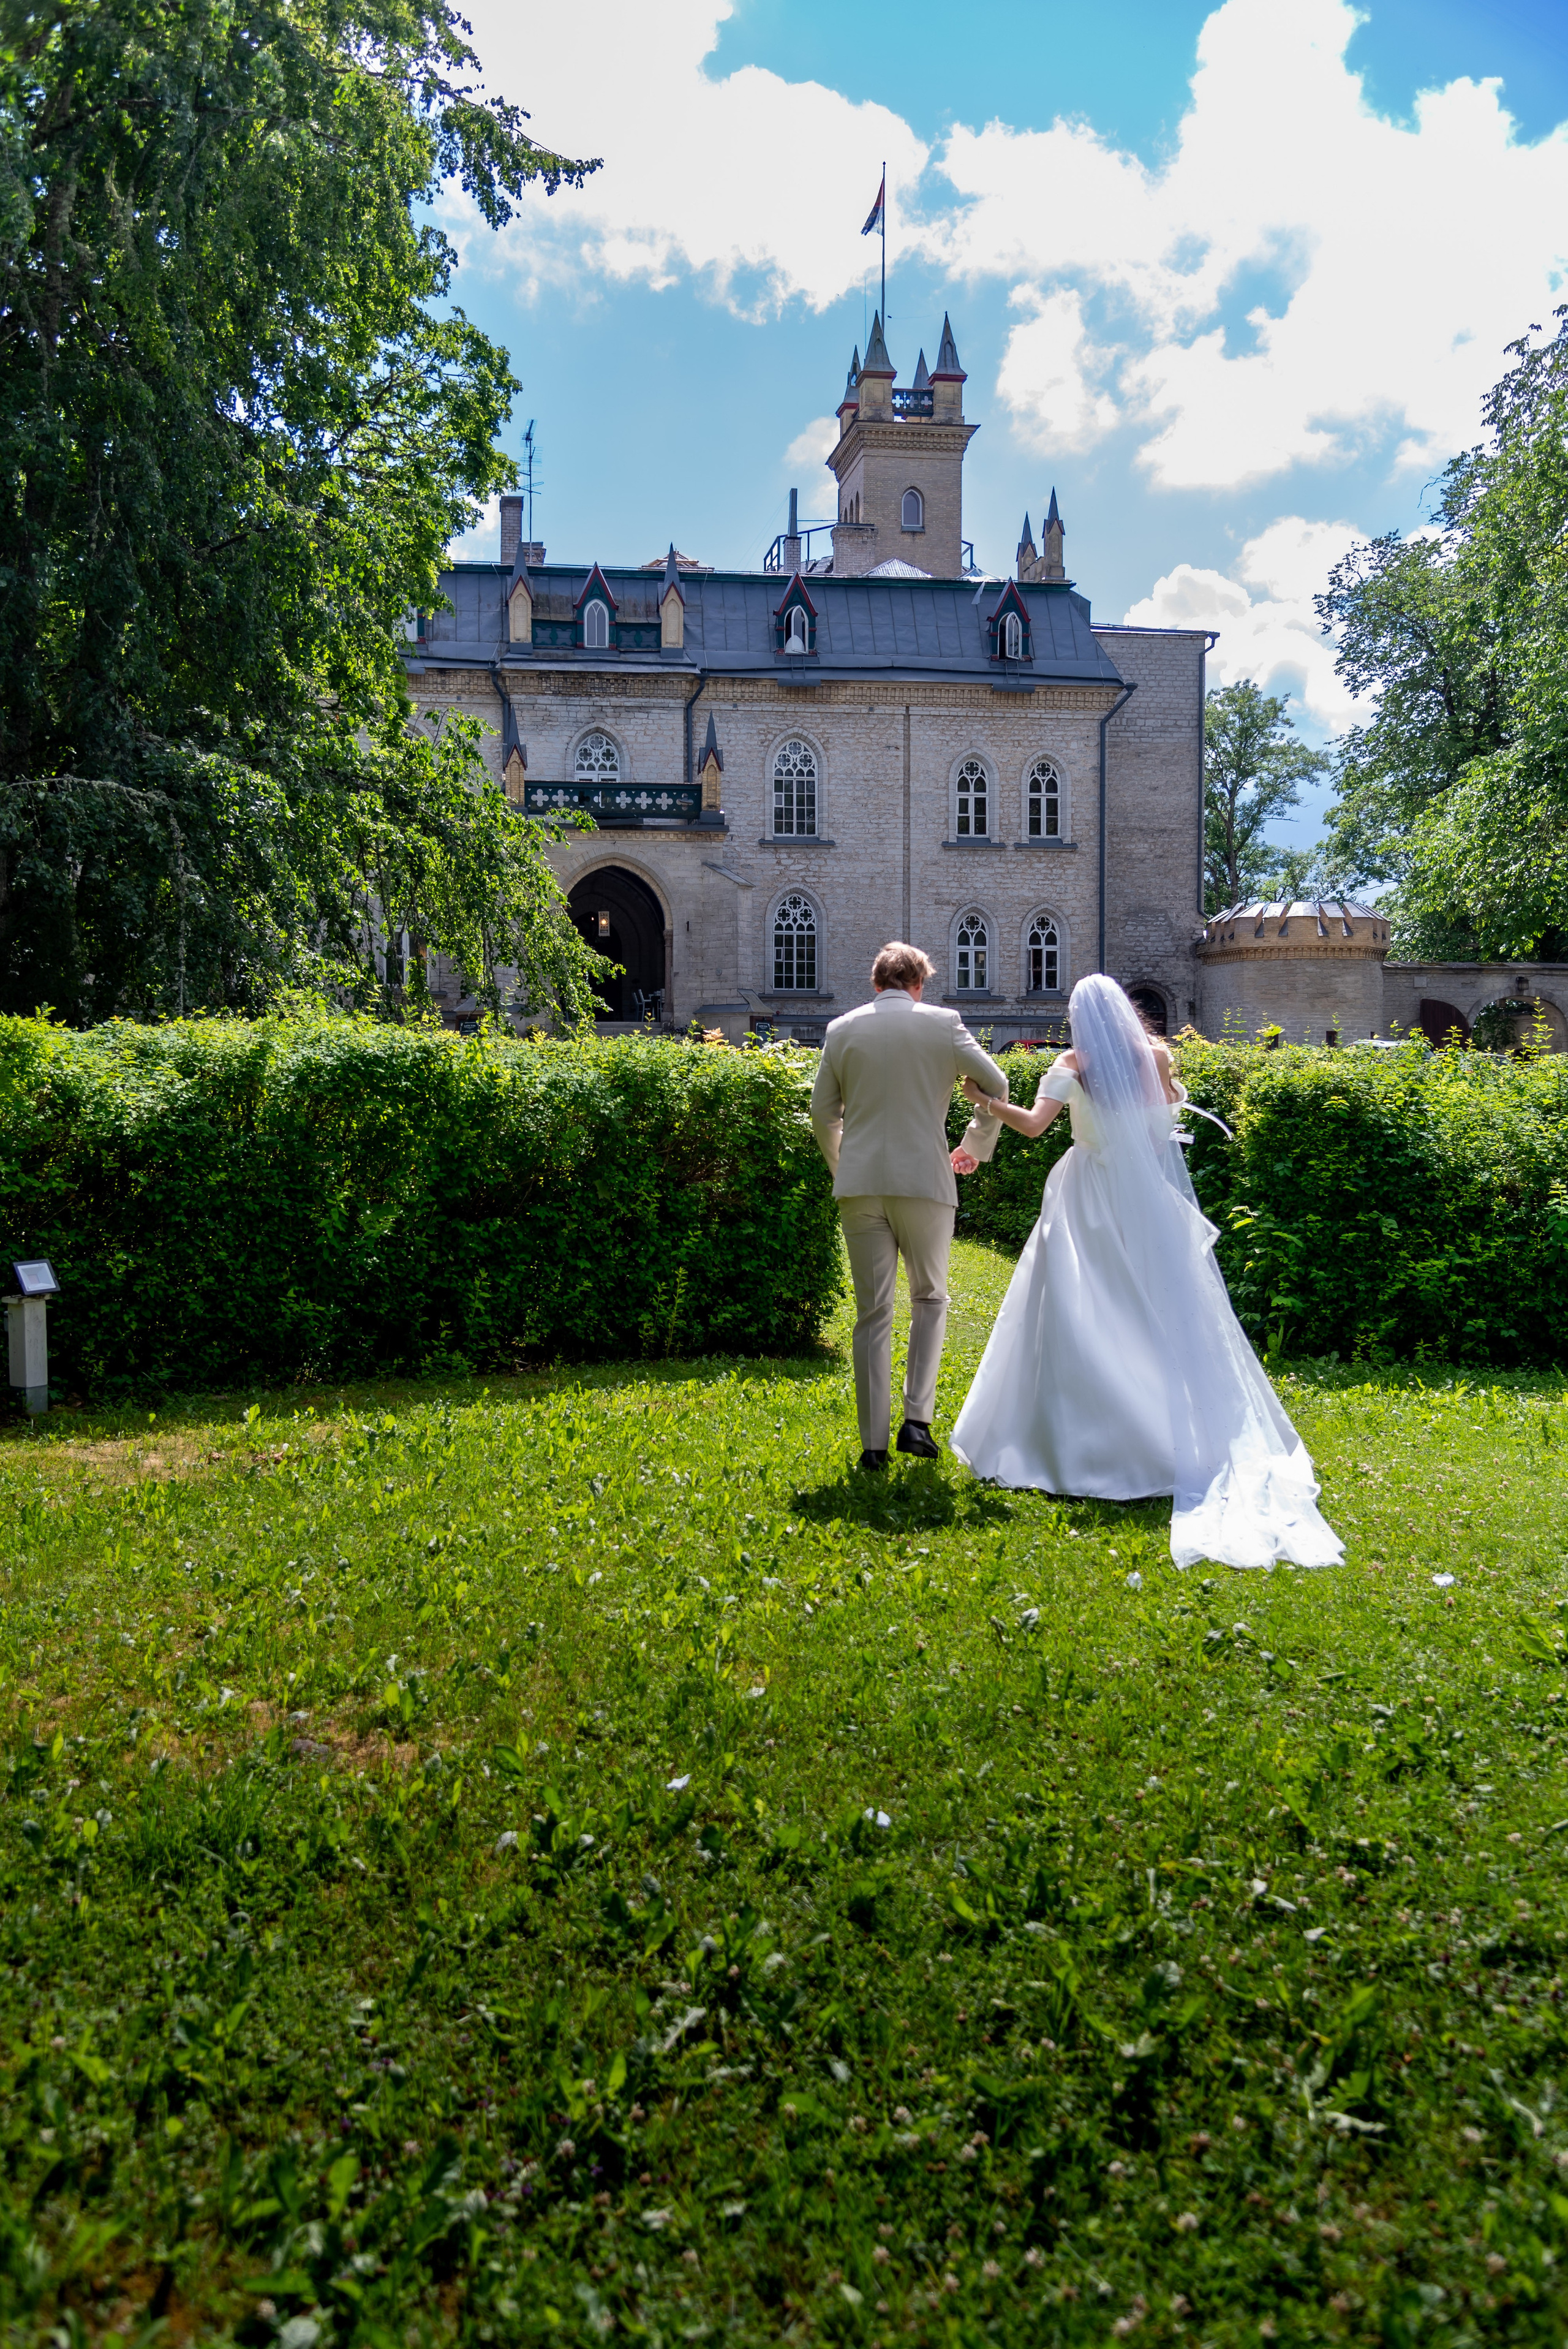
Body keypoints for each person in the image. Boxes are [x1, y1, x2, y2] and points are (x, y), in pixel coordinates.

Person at [949, 973, 1342, 1571]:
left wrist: (983, 1103)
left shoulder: (1071, 1063)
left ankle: (1079, 1442)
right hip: (1144, 1198)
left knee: (1076, 1309)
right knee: (1155, 1311)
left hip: (1086, 1194)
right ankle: (1166, 1434)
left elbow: (1032, 1126)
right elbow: (1162, 1130)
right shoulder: (1157, 1056)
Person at [810, 942, 1006, 1470]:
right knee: (930, 1299)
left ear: (876, 984)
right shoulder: (944, 1024)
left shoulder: (842, 1029)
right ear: (919, 984)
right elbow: (997, 1083)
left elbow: (823, 1116)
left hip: (862, 1184)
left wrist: (844, 1166)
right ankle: (916, 1421)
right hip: (925, 1177)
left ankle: (873, 1444)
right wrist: (974, 1144)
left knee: (872, 1313)